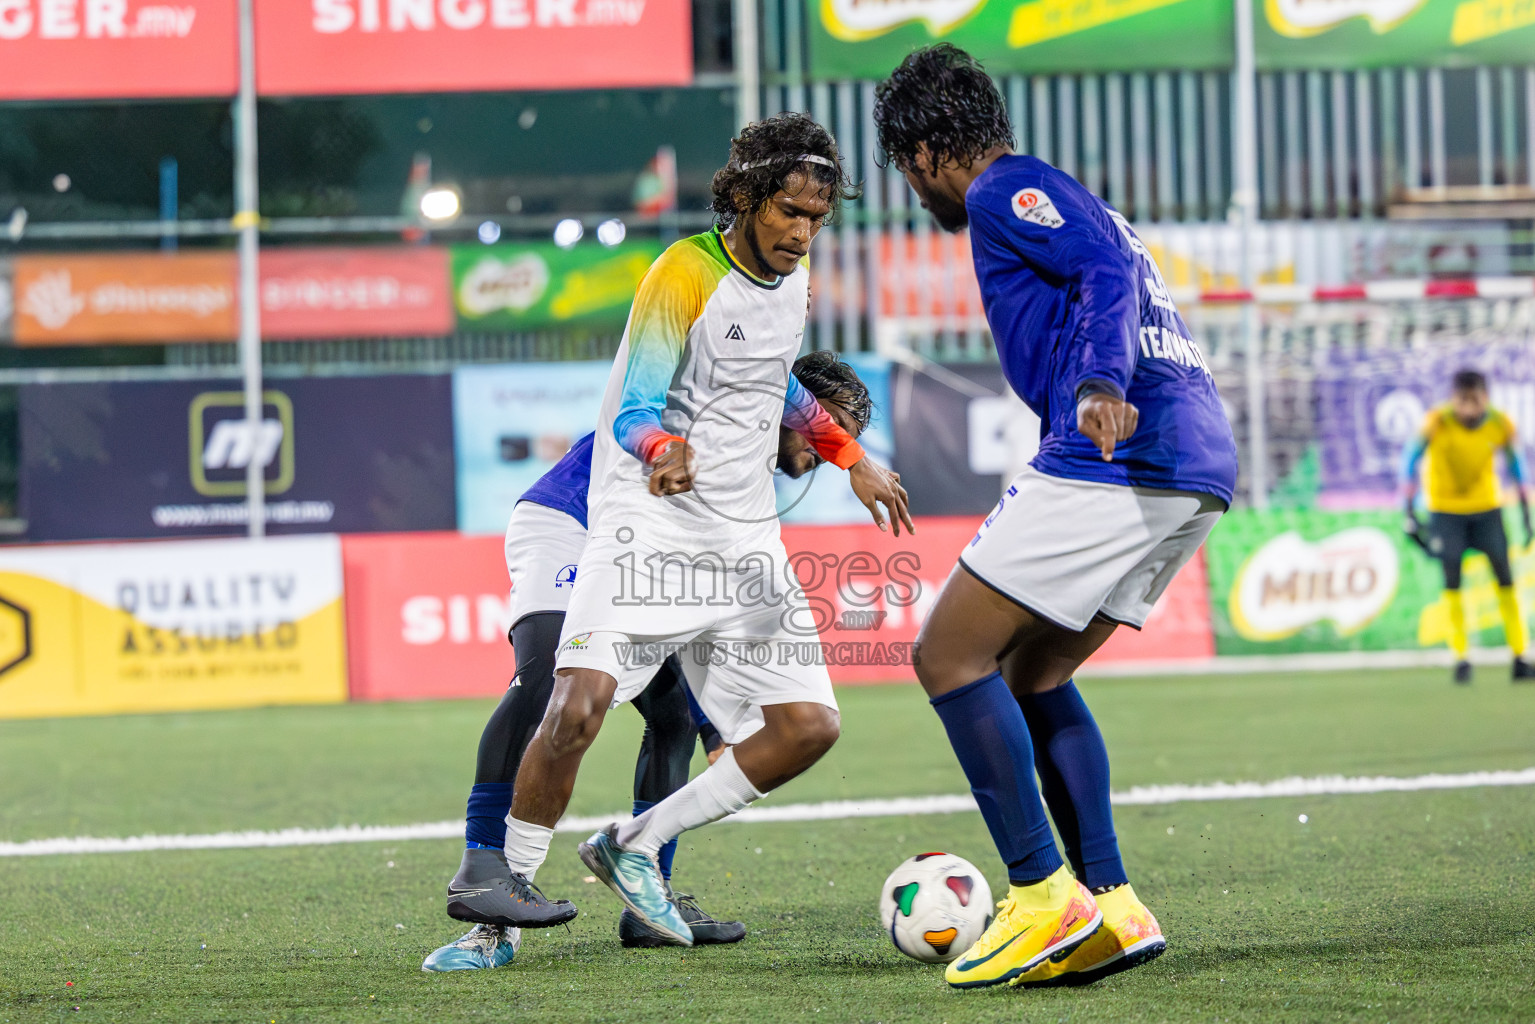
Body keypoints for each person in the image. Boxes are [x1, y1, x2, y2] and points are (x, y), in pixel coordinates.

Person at [465, 112, 913, 948]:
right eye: (788, 211)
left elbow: (776, 381)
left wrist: (849, 455)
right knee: (573, 707)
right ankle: (501, 897)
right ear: (743, 197)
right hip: (648, 525)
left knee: (807, 728)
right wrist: (666, 448)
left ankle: (633, 847)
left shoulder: (798, 281)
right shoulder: (683, 272)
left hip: (743, 547)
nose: (802, 231)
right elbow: (635, 405)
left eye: (817, 217)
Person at [872, 44, 1238, 990]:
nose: (914, 190)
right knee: (1035, 671)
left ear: (919, 152)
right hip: (1193, 462)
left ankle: (1041, 894)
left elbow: (1106, 275)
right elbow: (1110, 263)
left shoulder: (1004, 191)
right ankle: (1112, 904)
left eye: (905, 170)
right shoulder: (1055, 192)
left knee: (947, 654)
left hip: (1116, 449)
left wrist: (1098, 383)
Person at [422, 351, 874, 971]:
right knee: (548, 686)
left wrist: (716, 722)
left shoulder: (748, 475)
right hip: (570, 520)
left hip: (641, 553)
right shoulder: (722, 406)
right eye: (835, 424)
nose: (835, 444)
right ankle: (488, 892)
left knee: (670, 715)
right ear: (798, 405)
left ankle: (645, 900)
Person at [1402, 368, 1532, 685]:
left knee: (1505, 578)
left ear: (1486, 399)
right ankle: (1461, 657)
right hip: (1446, 512)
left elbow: (1518, 467)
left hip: (1488, 509)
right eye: (1464, 401)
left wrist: (1527, 512)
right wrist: (1408, 509)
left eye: (1476, 402)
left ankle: (1519, 655)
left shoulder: (1500, 423)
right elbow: (1409, 462)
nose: (1470, 410)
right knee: (1452, 581)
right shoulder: (1436, 423)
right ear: (1454, 399)